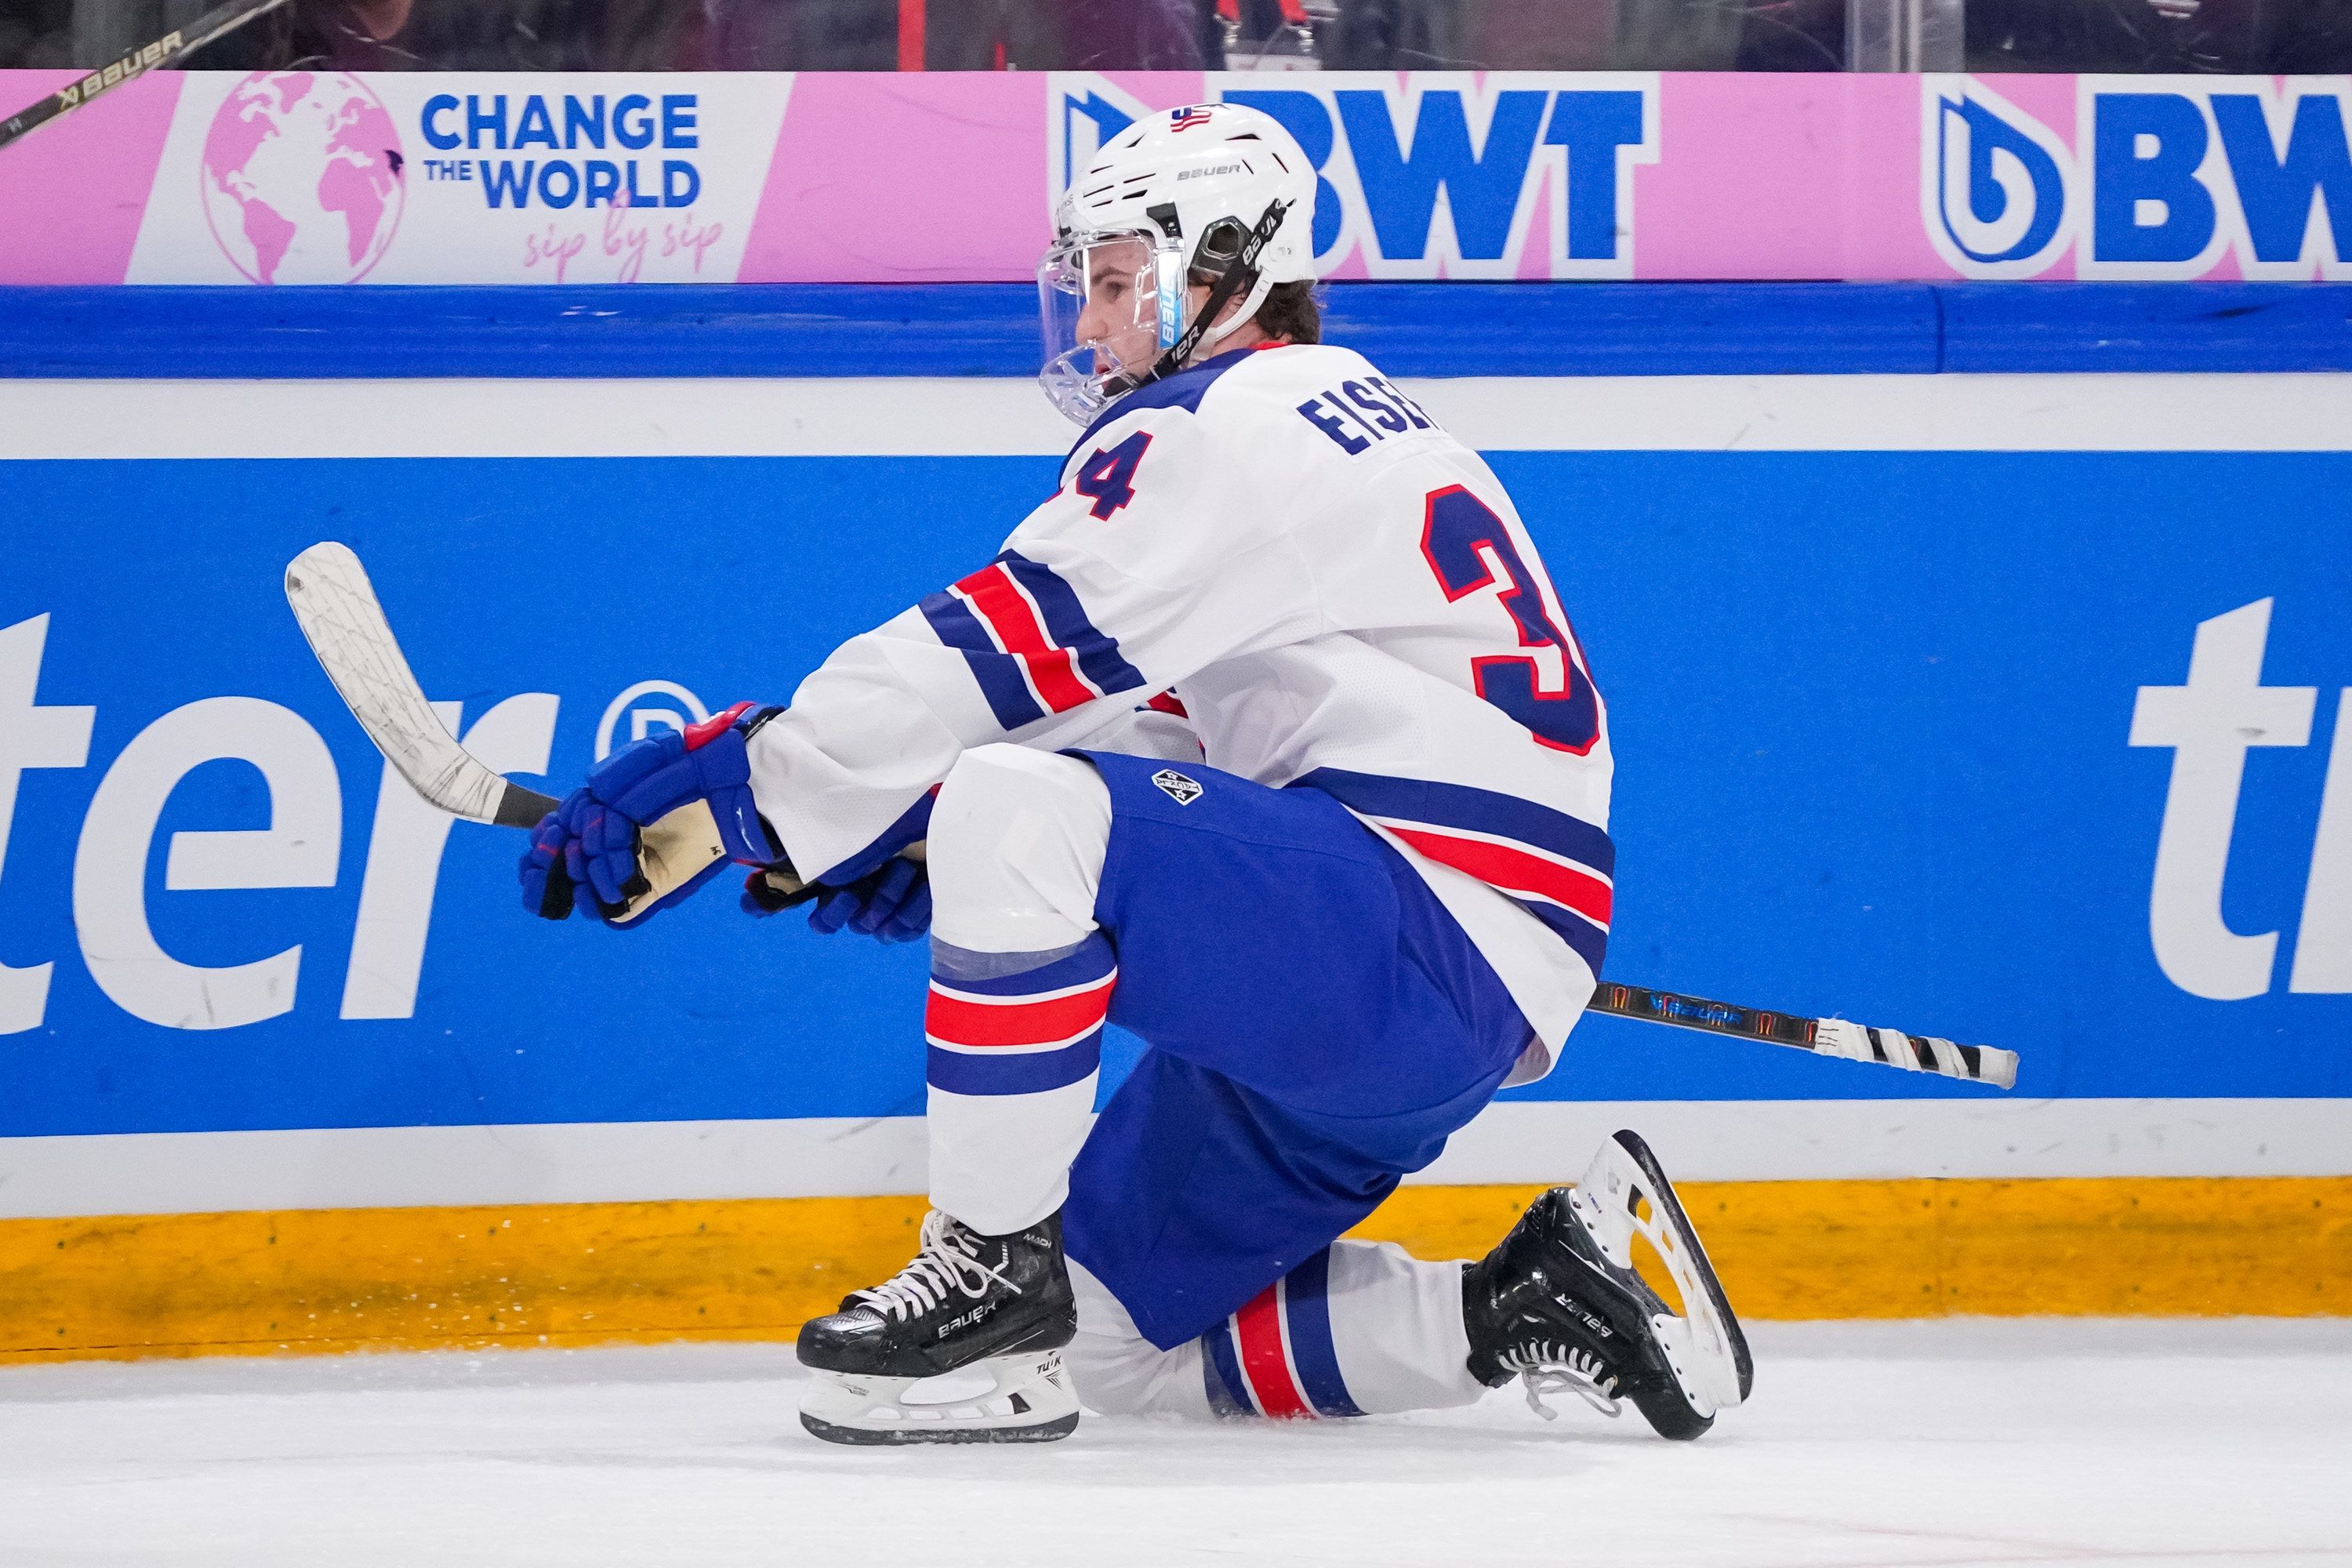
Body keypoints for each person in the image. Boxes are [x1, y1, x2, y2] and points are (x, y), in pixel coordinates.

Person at [521, 101, 1749, 1446]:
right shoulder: (1337, 423)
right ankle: (1535, 1297)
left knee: (1013, 803)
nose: (1091, 322)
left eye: (1117, 282)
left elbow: (995, 650)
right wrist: (928, 835)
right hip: (1413, 974)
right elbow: (1171, 745)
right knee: (1105, 1343)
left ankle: (988, 1264)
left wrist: (750, 777)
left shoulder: (1225, 418)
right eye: (1087, 285)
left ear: (1227, 269)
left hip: (1413, 938)